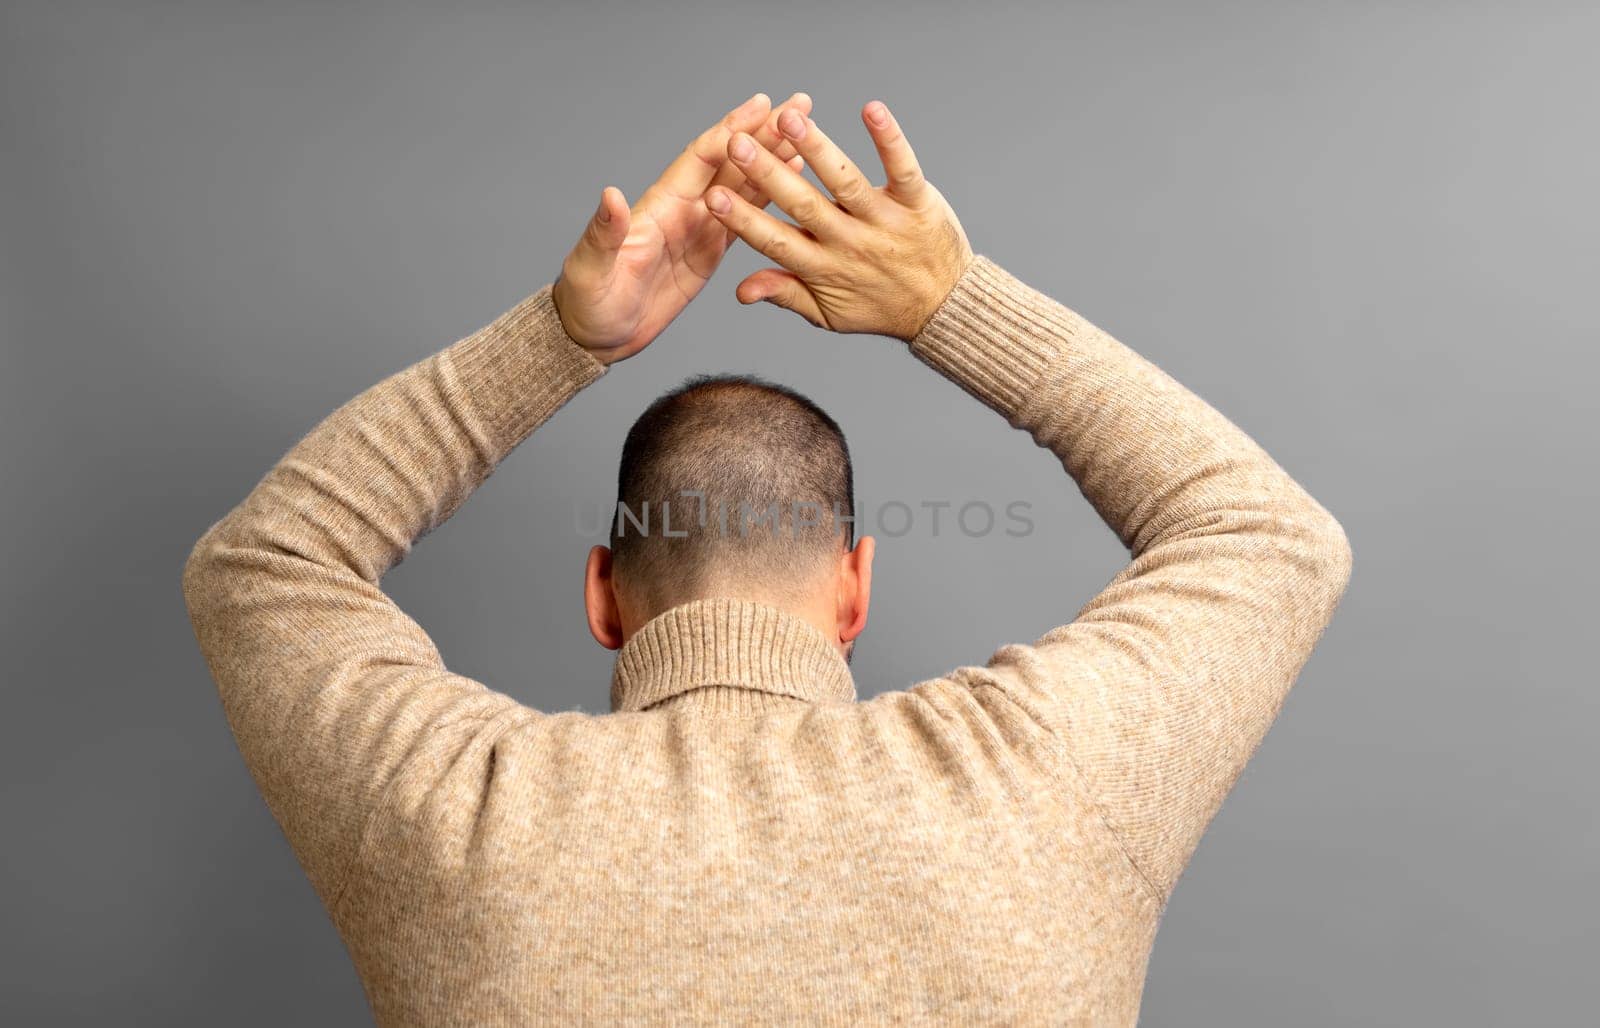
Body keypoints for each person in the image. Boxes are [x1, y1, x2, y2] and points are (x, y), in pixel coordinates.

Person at [183, 90, 1352, 1025]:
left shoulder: (458, 810)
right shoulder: (1034, 779)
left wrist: (562, 340)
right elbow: (1267, 535)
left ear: (603, 594)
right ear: (855, 589)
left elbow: (266, 564)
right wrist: (951, 302)